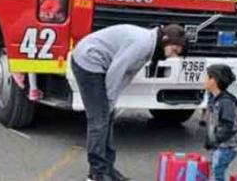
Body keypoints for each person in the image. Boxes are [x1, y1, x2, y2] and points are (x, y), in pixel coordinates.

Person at [71, 23, 187, 181]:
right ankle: (97, 173)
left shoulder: (151, 46)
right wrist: (110, 99)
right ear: (166, 40)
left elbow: (128, 74)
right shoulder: (143, 44)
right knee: (99, 120)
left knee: (107, 118)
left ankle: (108, 169)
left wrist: (112, 100)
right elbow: (116, 70)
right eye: (174, 50)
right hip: (88, 60)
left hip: (100, 62)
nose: (172, 56)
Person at [204, 64, 237, 181]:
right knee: (212, 170)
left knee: (216, 171)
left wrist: (215, 139)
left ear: (214, 80)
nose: (204, 80)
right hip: (218, 145)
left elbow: (228, 125)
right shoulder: (213, 98)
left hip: (227, 146)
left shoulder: (226, 102)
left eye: (206, 77)